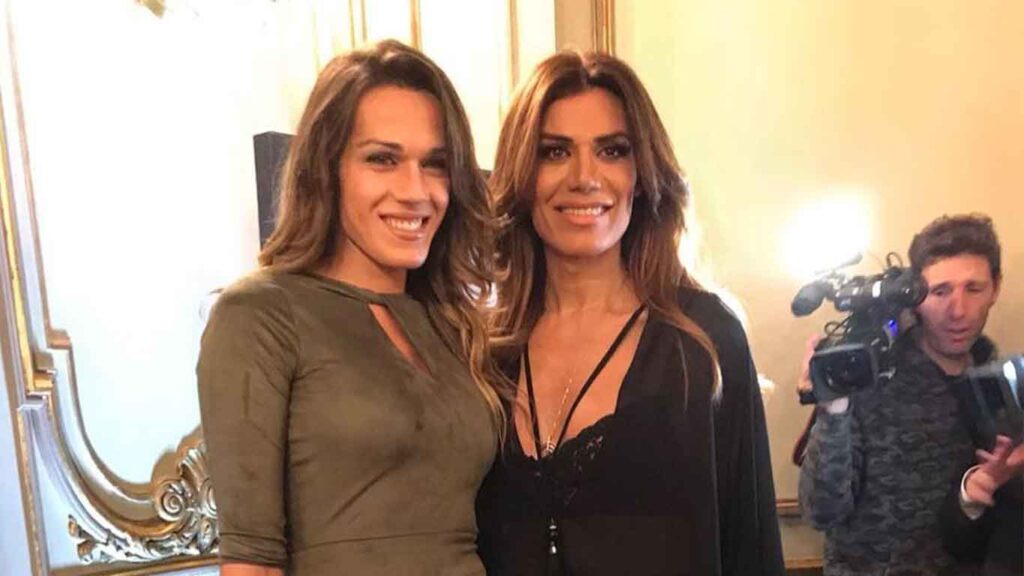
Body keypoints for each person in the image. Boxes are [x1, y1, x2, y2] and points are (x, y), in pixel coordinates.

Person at [197, 40, 503, 576]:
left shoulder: (452, 324)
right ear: (327, 167)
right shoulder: (260, 314)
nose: (416, 190)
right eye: (383, 159)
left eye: (435, 164)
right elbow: (251, 562)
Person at [475, 50, 784, 576]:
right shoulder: (484, 350)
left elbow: (751, 547)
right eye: (554, 152)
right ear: (523, 175)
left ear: (641, 175)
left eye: (612, 150)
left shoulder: (704, 340)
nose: (584, 177)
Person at [799, 214, 1003, 575]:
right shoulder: (871, 373)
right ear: (916, 296)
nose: (958, 310)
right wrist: (833, 410)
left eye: (973, 289)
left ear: (995, 288)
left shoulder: (997, 378)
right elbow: (821, 513)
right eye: (940, 291)